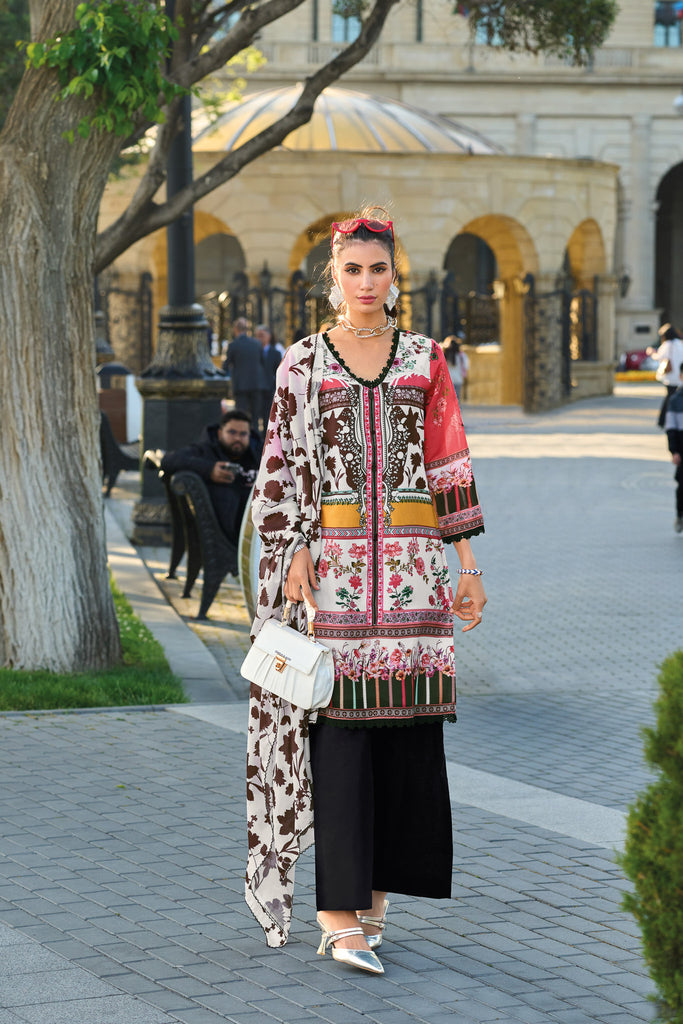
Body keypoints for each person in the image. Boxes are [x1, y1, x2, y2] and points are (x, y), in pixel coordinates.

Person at [245, 208, 486, 970]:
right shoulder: (304, 362)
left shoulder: (424, 358)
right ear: (333, 278)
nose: (365, 282)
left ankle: (376, 902)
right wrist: (288, 550)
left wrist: (468, 568)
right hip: (336, 577)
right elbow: (280, 461)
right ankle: (335, 913)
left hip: (415, 577)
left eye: (377, 268)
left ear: (394, 275)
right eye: (352, 269)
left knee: (406, 735)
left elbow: (448, 462)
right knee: (339, 733)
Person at [160, 410, 260, 574]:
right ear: (220, 433)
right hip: (227, 534)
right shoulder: (205, 450)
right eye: (232, 432)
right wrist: (209, 470)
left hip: (259, 528)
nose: (237, 438)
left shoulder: (259, 451)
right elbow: (169, 461)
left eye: (243, 434)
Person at [222, 318, 268, 431]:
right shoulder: (257, 344)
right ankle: (256, 441)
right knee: (256, 417)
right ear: (246, 329)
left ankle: (243, 439)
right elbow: (263, 362)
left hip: (241, 386)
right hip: (256, 385)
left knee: (241, 417)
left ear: (235, 329)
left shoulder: (233, 345)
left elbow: (225, 365)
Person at [646, 324, 683, 429]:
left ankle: (663, 420)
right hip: (679, 377)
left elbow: (658, 357)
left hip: (670, 377)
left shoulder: (667, 345)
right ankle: (664, 420)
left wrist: (651, 352)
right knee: (672, 398)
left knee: (670, 398)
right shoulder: (680, 344)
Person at [664, 361, 683, 533]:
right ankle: (680, 514)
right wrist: (674, 451)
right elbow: (670, 428)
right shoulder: (676, 401)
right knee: (682, 484)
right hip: (682, 447)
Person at [255, 323, 284, 427]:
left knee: (268, 415)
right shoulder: (253, 352)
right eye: (258, 336)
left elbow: (279, 371)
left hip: (269, 388)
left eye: (262, 335)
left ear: (269, 336)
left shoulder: (275, 353)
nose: (260, 338)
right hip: (256, 388)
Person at [441, 333, 469, 403]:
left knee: (446, 400)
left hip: (446, 381)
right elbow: (466, 366)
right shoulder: (462, 356)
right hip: (458, 380)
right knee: (456, 400)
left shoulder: (443, 356)